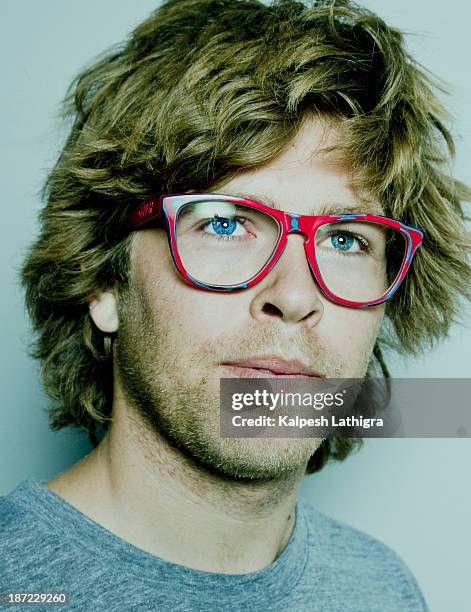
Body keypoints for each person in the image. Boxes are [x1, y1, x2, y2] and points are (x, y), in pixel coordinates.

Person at [1, 0, 469, 609]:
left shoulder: (381, 590)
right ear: (104, 285)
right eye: (224, 225)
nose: (296, 295)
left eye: (347, 240)